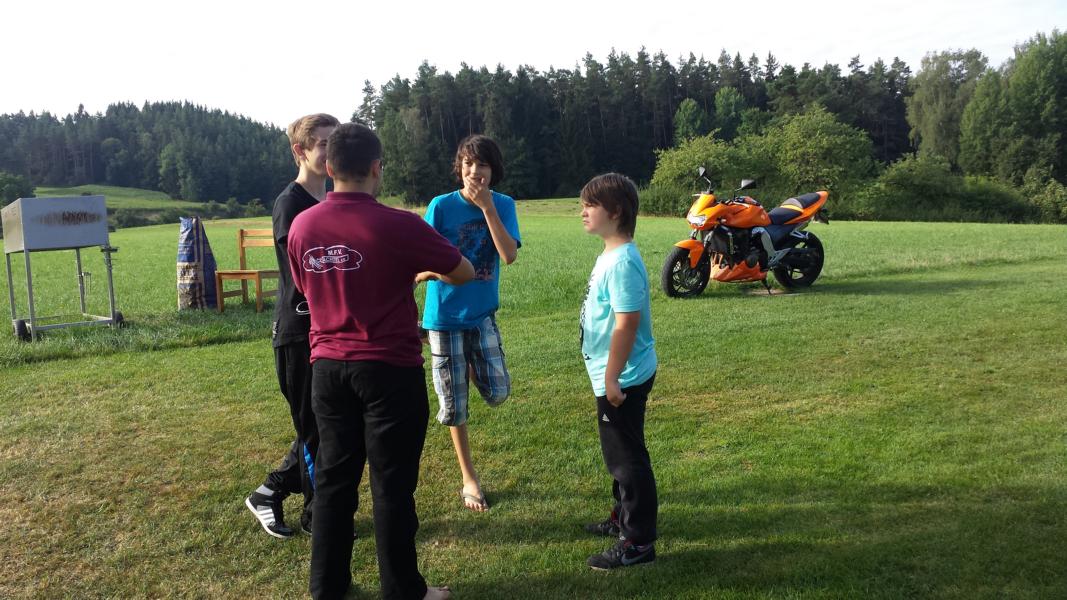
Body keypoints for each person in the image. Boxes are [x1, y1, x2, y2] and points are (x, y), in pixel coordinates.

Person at [288, 122, 469, 600]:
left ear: (330, 169)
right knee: (391, 485)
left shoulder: (302, 226)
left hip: (327, 369)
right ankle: (403, 590)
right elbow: (464, 271)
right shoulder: (400, 224)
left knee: (334, 481)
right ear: (376, 168)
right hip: (389, 368)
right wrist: (418, 271)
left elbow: (306, 288)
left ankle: (327, 588)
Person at [245, 113, 339, 538]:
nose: (331, 151)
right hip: (298, 333)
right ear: (300, 151)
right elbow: (303, 273)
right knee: (316, 429)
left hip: (329, 329)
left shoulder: (332, 197)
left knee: (328, 424)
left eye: (335, 142)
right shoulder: (291, 203)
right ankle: (319, 519)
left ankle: (270, 491)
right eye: (323, 143)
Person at [418, 134, 520, 512]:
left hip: (481, 315)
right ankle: (469, 478)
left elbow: (508, 255)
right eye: (468, 163)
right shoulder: (441, 206)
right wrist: (436, 274)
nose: (474, 171)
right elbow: (422, 256)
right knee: (455, 407)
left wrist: (488, 208)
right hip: (444, 318)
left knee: (499, 393)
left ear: (494, 170)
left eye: (483, 165)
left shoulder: (504, 205)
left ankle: (469, 368)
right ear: (459, 167)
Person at [577, 173, 659, 570]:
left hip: (623, 378)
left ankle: (638, 541)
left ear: (615, 212)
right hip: (613, 374)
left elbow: (626, 324)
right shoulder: (611, 254)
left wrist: (611, 377)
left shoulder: (623, 261)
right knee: (620, 454)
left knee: (627, 460)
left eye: (590, 205)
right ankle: (622, 516)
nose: (582, 212)